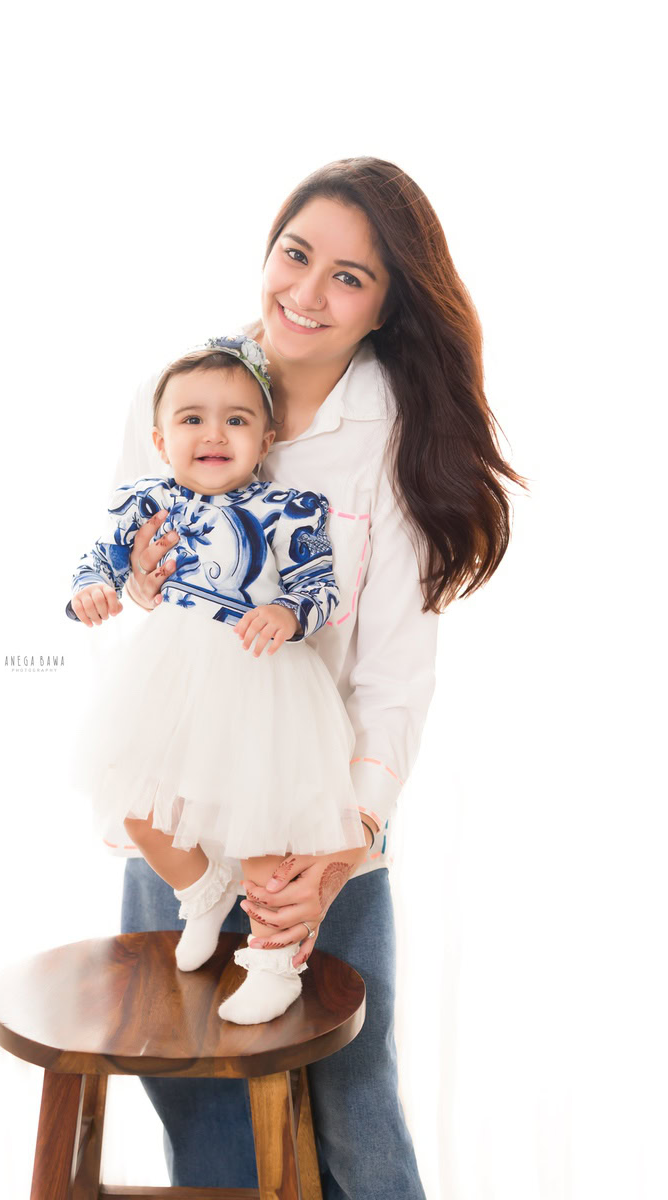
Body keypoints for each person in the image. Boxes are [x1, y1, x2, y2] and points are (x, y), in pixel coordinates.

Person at [104, 158, 525, 1199]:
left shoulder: (396, 441)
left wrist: (343, 847)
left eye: (348, 277)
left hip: (315, 817)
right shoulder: (185, 386)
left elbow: (393, 675)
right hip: (188, 812)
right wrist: (138, 580)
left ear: (387, 306)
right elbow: (139, 575)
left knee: (349, 1106)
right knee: (199, 1100)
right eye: (295, 255)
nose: (304, 292)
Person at [68, 334, 369, 1024]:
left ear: (265, 438)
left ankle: (272, 962)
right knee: (137, 801)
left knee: (259, 825)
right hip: (174, 677)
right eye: (192, 419)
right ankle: (203, 888)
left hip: (260, 681)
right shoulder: (148, 505)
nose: (213, 433)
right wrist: (94, 587)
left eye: (236, 419)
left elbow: (320, 590)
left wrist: (288, 613)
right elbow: (103, 558)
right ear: (159, 437)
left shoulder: (288, 512)